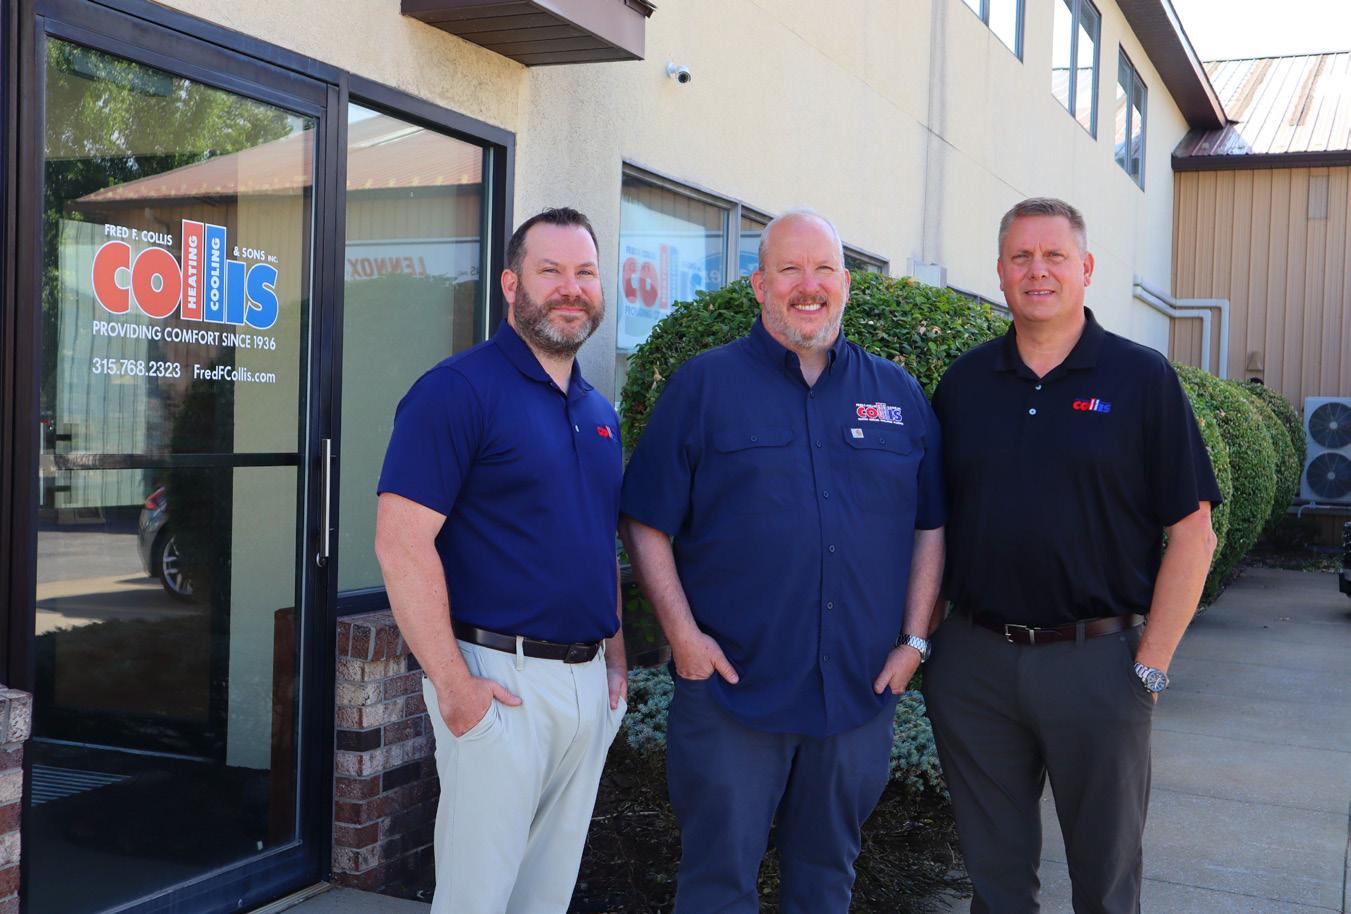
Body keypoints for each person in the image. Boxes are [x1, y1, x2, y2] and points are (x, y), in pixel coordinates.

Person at [620, 209, 946, 914]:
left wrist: (914, 642)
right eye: (789, 269)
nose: (808, 285)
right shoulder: (703, 386)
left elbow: (930, 525)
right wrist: (683, 639)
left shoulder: (897, 395)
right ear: (759, 285)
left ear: (846, 284)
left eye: (823, 269)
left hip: (858, 696)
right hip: (732, 694)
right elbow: (645, 522)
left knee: (826, 885)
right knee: (716, 888)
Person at [925, 197, 1221, 914]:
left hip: (1098, 665)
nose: (1038, 271)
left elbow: (1193, 532)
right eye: (1021, 257)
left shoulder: (1141, 379)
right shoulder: (963, 385)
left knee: (1105, 884)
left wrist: (1149, 664)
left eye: (1054, 256)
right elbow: (930, 525)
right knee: (995, 885)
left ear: (1085, 268)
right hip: (975, 666)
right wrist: (927, 640)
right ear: (999, 271)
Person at [374, 207, 627, 914]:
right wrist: (454, 687)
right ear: (511, 285)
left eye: (585, 273)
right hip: (497, 682)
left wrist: (614, 663)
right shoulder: (456, 391)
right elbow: (400, 542)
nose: (571, 288)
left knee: (544, 900)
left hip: (586, 689)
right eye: (551, 271)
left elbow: (595, 540)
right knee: (476, 901)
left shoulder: (598, 412)